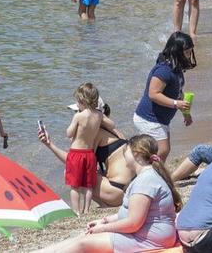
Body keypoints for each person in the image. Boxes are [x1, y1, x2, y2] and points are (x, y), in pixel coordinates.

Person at [36, 135, 182, 252]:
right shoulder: (146, 176)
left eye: (127, 150)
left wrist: (103, 228)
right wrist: (105, 221)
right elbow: (131, 213)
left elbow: (133, 224)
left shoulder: (146, 181)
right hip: (147, 234)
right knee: (83, 237)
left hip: (150, 239)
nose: (124, 153)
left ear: (136, 154)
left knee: (83, 244)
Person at [38, 103, 135, 208]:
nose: (76, 117)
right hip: (130, 190)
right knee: (90, 172)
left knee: (72, 172)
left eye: (79, 112)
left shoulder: (94, 133)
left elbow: (73, 163)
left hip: (115, 192)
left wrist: (49, 144)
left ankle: (104, 206)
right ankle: (105, 205)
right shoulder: (113, 131)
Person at [134, 32, 196, 161]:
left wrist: (185, 112)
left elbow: (178, 92)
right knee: (162, 150)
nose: (189, 55)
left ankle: (150, 172)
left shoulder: (176, 69)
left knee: (157, 151)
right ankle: (148, 173)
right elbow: (153, 94)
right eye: (186, 52)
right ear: (176, 52)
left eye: (190, 52)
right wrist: (175, 104)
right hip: (149, 117)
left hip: (160, 118)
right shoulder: (164, 70)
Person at [66, 83, 107, 215]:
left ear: (83, 101)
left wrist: (75, 119)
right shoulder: (99, 115)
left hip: (76, 154)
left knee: (75, 186)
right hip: (90, 154)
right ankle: (87, 209)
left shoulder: (79, 116)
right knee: (88, 185)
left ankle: (76, 211)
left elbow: (69, 133)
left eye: (77, 101)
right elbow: (110, 124)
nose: (77, 105)